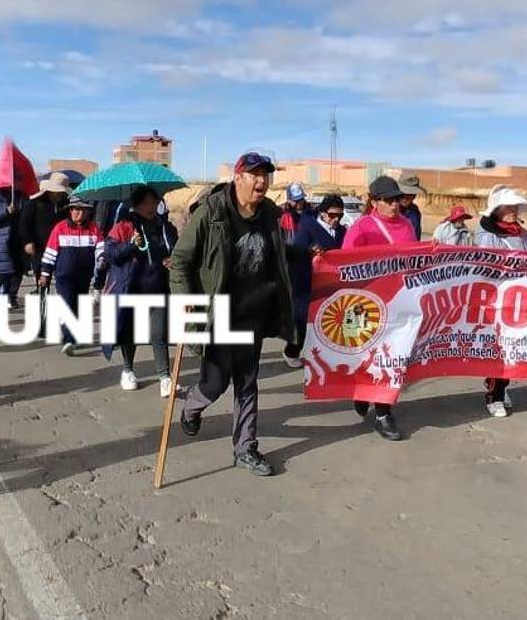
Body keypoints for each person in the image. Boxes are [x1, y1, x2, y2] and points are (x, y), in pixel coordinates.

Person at [172, 152, 297, 477]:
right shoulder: (212, 212)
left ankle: (246, 448)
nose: (261, 181)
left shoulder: (270, 212)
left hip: (253, 315)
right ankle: (191, 406)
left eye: (265, 175)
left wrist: (310, 255)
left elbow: (278, 255)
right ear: (237, 177)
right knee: (214, 384)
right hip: (218, 316)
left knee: (247, 384)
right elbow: (181, 261)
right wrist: (186, 303)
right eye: (254, 175)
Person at [342, 175, 417, 440]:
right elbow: (345, 267)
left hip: (400, 303)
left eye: (396, 199)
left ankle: (384, 412)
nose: (394, 205)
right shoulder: (362, 227)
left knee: (393, 358)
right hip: (368, 306)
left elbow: (414, 261)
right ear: (375, 202)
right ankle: (363, 392)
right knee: (369, 358)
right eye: (388, 200)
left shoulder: (407, 225)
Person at [102, 186, 179, 393]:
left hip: (158, 287)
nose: (150, 207)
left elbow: (178, 251)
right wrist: (130, 245)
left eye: (153, 202)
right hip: (131, 288)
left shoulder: (166, 228)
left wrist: (173, 261)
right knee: (130, 332)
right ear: (135, 205)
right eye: (145, 203)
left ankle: (165, 378)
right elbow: (111, 255)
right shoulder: (123, 226)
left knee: (159, 333)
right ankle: (127, 370)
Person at [473, 185, 527, 418]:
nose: (512, 210)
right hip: (495, 299)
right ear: (497, 210)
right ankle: (494, 395)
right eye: (508, 206)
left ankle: (499, 385)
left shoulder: (524, 235)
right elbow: (484, 268)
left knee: (512, 348)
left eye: (515, 206)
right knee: (499, 349)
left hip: (518, 298)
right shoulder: (486, 235)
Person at [282, 194, 347, 367]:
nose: (335, 219)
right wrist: (310, 250)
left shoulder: (342, 232)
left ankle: (327, 356)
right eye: (332, 215)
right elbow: (296, 252)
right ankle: (292, 351)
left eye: (339, 216)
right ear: (323, 213)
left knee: (331, 322)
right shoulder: (308, 227)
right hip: (305, 282)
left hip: (331, 285)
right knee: (301, 322)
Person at [38, 195, 102, 356]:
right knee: (67, 305)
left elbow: (101, 249)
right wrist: (45, 274)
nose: (76, 213)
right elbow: (50, 253)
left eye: (80, 210)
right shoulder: (60, 228)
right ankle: (68, 340)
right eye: (73, 209)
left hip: (84, 277)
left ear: (88, 212)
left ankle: (74, 334)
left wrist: (102, 261)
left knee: (78, 306)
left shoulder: (94, 229)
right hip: (64, 277)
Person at [21, 173, 71, 284]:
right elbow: (25, 224)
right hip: (40, 245)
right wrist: (27, 241)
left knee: (63, 276)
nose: (60, 195)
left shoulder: (66, 204)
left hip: (61, 245)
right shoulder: (34, 203)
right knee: (43, 277)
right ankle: (42, 298)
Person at [0, 185, 24, 307]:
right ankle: (3, 294)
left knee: (19, 270)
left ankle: (12, 295)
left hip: (19, 237)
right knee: (5, 270)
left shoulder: (22, 195)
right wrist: (6, 211)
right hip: (2, 238)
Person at [397, 173, 427, 240]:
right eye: (403, 194)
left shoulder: (415, 212)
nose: (405, 198)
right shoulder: (389, 210)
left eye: (410, 195)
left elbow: (416, 238)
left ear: (414, 196)